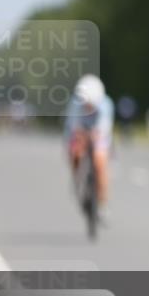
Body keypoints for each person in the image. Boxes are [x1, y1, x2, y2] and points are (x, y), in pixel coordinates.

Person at [64, 74, 114, 205]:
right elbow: (73, 126)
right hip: (80, 133)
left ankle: (102, 202)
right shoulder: (75, 104)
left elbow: (104, 129)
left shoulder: (106, 105)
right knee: (75, 152)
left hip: (98, 134)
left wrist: (95, 136)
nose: (88, 107)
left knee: (100, 164)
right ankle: (77, 177)